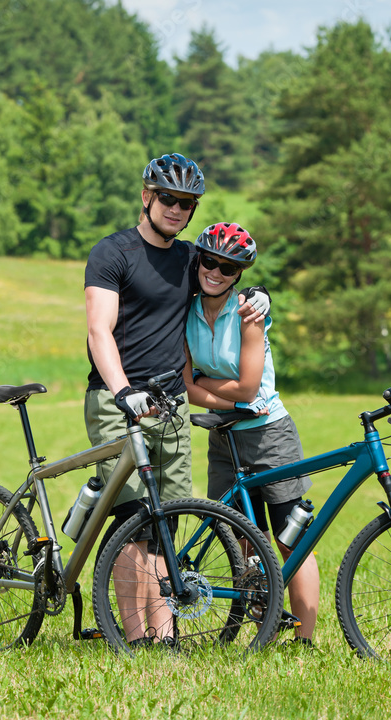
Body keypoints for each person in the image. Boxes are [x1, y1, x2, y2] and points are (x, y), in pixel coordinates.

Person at [83, 154, 269, 644]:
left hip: (171, 406)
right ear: (147, 197)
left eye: (187, 203)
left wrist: (259, 294)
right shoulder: (112, 253)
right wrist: (123, 391)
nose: (177, 209)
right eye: (168, 198)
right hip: (118, 399)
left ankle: (164, 635)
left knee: (167, 522)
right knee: (132, 520)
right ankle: (133, 636)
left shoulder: (191, 258)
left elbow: (222, 275)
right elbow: (99, 331)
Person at [184, 222, 320, 645]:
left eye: (228, 267)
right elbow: (187, 387)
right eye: (209, 261)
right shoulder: (184, 310)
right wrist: (229, 402)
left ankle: (305, 641)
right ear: (199, 261)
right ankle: (264, 627)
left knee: (288, 538)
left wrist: (208, 387)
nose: (216, 272)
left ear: (240, 274)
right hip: (222, 437)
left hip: (269, 435)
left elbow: (248, 384)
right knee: (243, 537)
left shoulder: (249, 312)